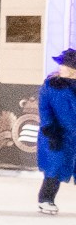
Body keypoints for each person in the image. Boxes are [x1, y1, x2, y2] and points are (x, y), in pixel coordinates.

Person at [38, 48, 76, 214]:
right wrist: (50, 129)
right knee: (55, 167)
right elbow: (44, 108)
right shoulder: (51, 85)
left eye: (64, 65)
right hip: (57, 134)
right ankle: (46, 199)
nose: (60, 67)